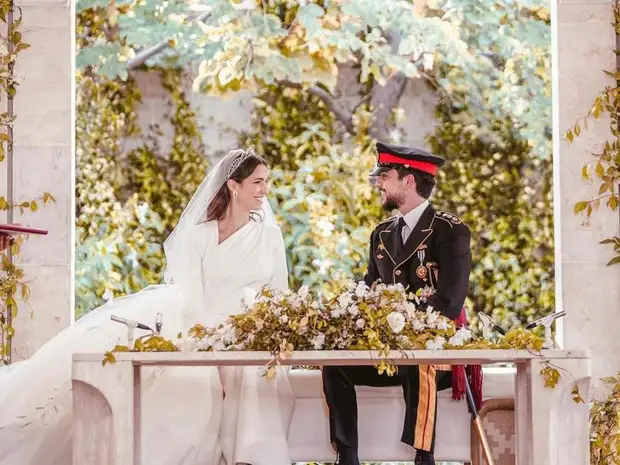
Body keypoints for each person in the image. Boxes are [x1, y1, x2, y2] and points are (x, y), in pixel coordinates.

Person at [0, 148, 295, 465]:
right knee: (182, 382)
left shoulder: (269, 236)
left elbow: (278, 293)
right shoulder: (199, 235)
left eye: (266, 181)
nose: (265, 189)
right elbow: (191, 294)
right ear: (234, 186)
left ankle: (249, 457)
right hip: (196, 326)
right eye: (257, 182)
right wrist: (213, 344)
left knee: (248, 373)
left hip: (246, 333)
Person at [321, 141, 473, 465]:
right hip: (391, 351)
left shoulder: (449, 230)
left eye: (385, 176)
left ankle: (424, 455)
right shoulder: (382, 233)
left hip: (436, 350)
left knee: (419, 358)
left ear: (409, 181)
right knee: (335, 361)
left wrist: (405, 331)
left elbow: (450, 301)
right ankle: (347, 455)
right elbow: (370, 287)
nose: (378, 183)